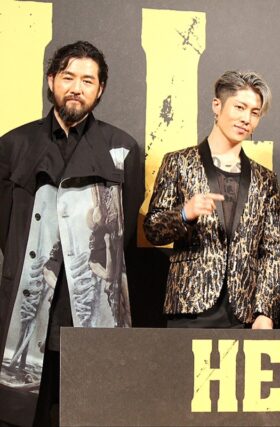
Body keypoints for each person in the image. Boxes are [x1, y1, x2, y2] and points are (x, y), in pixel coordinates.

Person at [0, 41, 140, 426]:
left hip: (90, 305)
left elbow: (123, 231)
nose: (77, 88)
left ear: (100, 89)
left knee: (93, 412)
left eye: (88, 80)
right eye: (68, 77)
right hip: (28, 298)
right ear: (51, 81)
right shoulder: (13, 145)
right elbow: (6, 225)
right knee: (23, 412)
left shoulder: (123, 147)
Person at [144, 71, 280, 330]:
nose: (246, 118)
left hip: (243, 314)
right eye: (239, 107)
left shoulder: (265, 180)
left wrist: (265, 311)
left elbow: (273, 251)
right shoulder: (178, 163)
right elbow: (152, 229)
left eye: (254, 112)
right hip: (189, 306)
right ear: (217, 106)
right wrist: (184, 213)